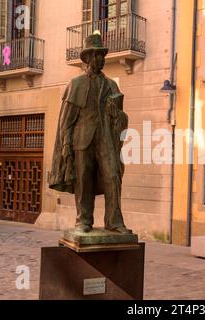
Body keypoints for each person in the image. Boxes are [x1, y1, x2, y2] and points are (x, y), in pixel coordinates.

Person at [48, 32, 131, 234]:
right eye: (97, 55)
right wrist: (66, 146)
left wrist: (117, 115)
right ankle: (83, 220)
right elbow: (66, 121)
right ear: (87, 58)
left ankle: (114, 221)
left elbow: (122, 119)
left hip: (105, 140)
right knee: (83, 180)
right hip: (82, 140)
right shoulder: (76, 84)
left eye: (102, 55)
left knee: (113, 176)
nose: (101, 59)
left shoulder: (112, 85)